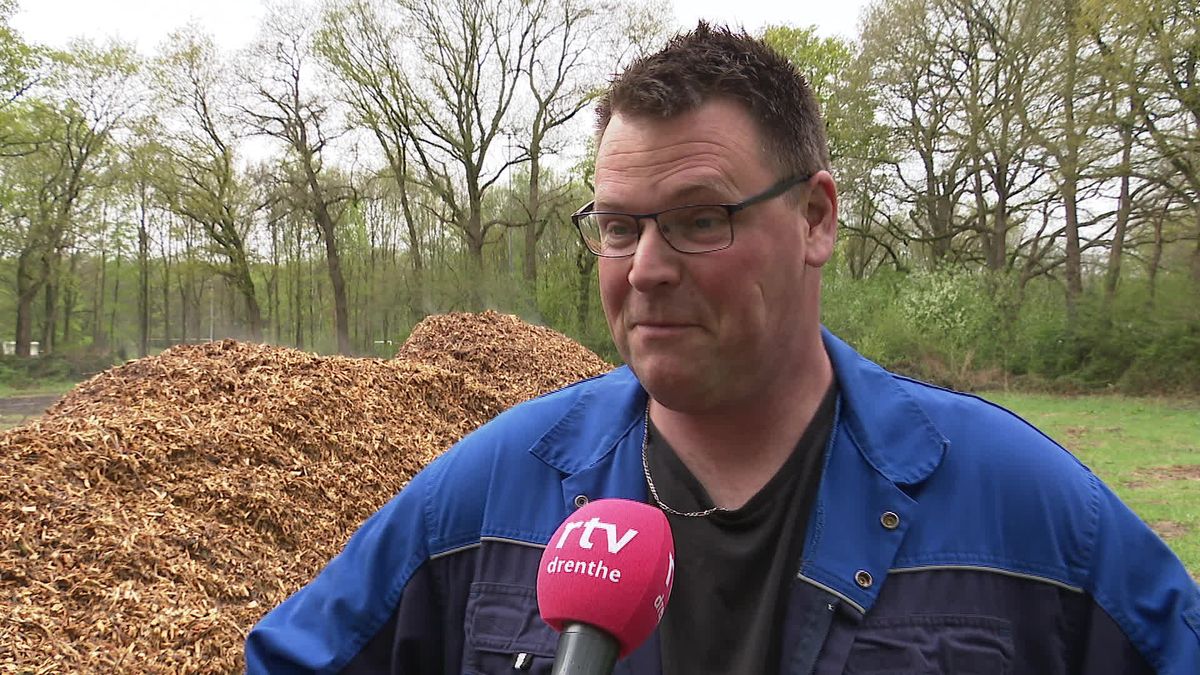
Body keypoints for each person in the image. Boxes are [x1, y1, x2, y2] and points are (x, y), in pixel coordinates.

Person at [245, 23, 1200, 674]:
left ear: (817, 217)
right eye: (619, 226)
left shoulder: (1030, 512)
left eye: (699, 219)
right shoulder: (483, 496)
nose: (646, 267)